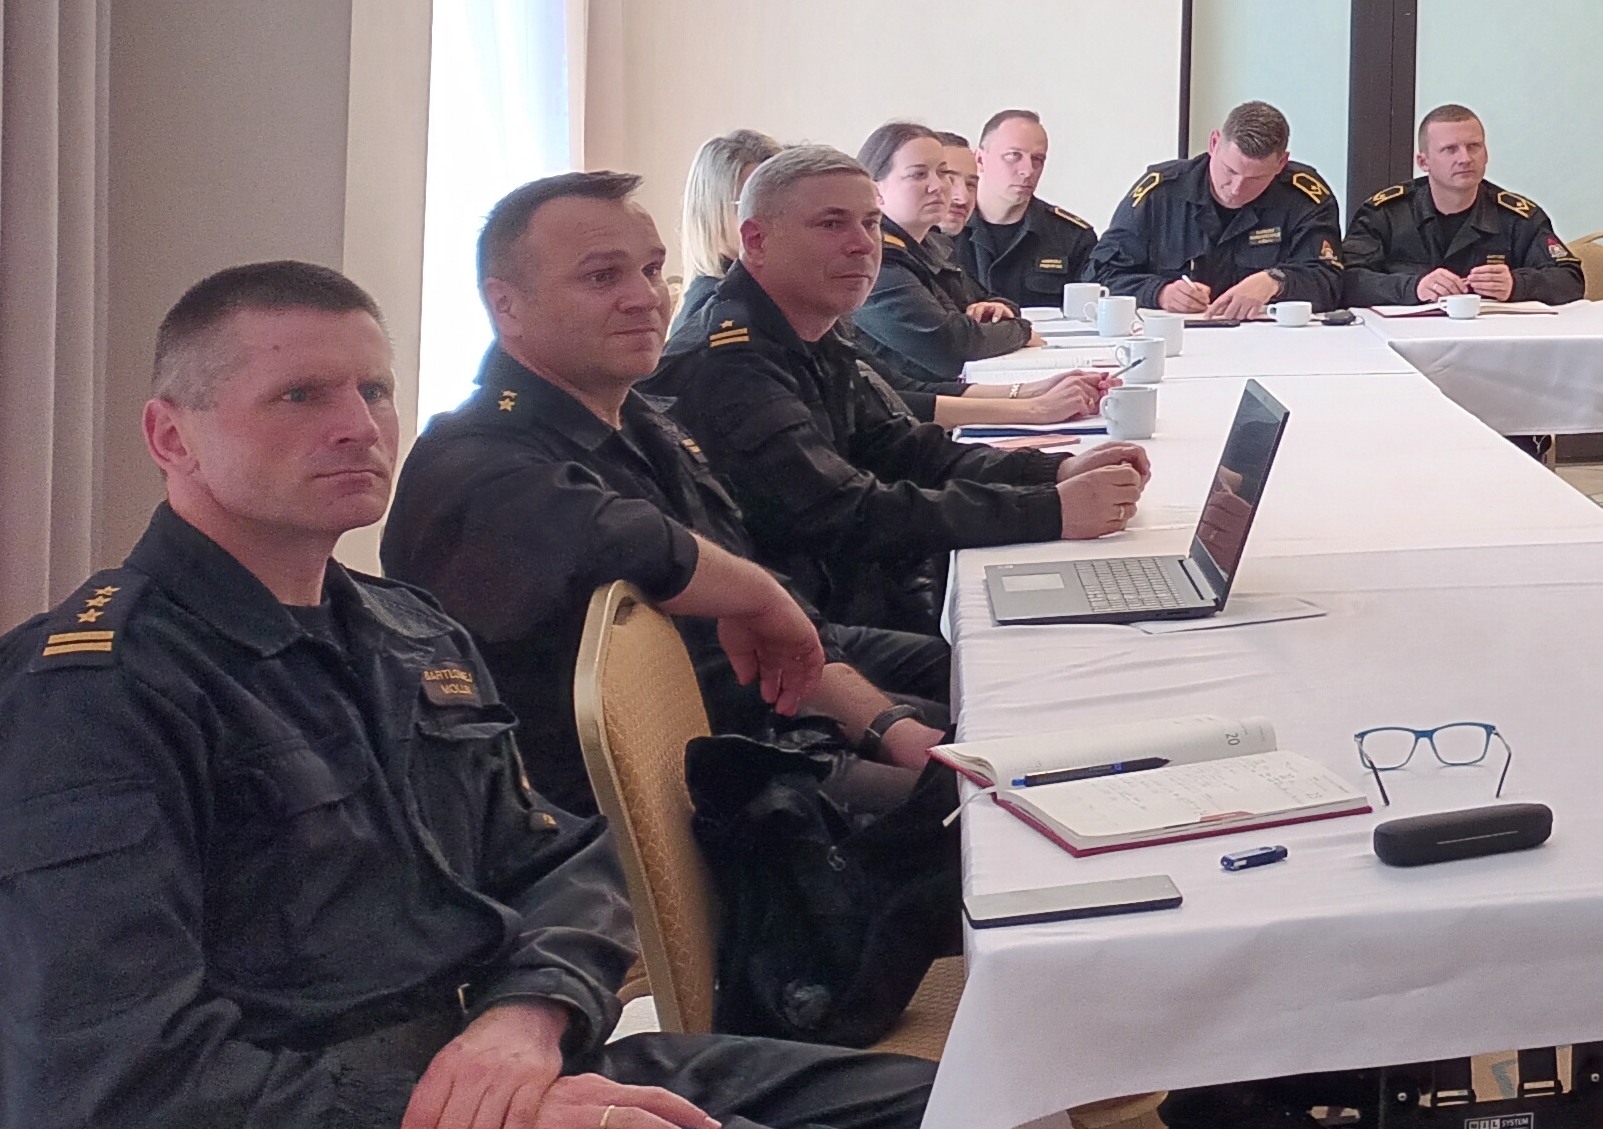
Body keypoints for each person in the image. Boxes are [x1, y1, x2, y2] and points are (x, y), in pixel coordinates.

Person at [0, 261, 948, 1129]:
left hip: (480, 1080)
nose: (357, 424)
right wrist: (434, 1121)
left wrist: (526, 1020)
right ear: (170, 435)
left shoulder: (402, 630)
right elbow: (99, 1089)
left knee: (962, 1126)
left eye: (375, 390)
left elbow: (566, 865)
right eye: (299, 395)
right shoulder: (88, 703)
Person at [393, 171, 959, 818]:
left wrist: (885, 725)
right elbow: (625, 539)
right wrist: (762, 597)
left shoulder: (645, 419)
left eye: (652, 269)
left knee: (999, 714)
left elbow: (776, 628)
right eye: (602, 277)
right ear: (507, 305)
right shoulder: (474, 461)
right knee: (977, 807)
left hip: (769, 735)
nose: (645, 298)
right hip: (673, 811)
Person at [652, 146, 1144, 633]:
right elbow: (845, 512)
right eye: (832, 224)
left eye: (870, 222)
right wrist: (1049, 511)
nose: (863, 244)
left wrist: (1053, 470)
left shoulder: (809, 325)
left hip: (853, 597)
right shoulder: (730, 362)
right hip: (796, 634)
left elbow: (904, 449)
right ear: (757, 241)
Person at [1088, 101, 1345, 316]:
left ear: (1281, 163)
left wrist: (1276, 282)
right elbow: (1098, 276)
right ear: (1214, 143)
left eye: (1255, 179)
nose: (1236, 188)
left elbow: (1330, 281)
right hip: (1180, 339)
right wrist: (1160, 293)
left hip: (1270, 342)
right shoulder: (1160, 194)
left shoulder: (1303, 198)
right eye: (1229, 170)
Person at [845, 120, 1032, 404]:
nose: (939, 186)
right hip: (908, 411)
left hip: (954, 397)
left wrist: (998, 311)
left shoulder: (933, 244)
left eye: (942, 172)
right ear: (876, 190)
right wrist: (1020, 330)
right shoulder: (877, 259)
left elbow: (990, 301)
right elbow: (952, 348)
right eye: (918, 174)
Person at [1342, 106, 1588, 307]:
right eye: (1450, 149)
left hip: (1491, 341)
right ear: (1423, 162)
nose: (1465, 159)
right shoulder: (1386, 214)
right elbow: (1346, 281)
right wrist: (1413, 287)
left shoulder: (1518, 217)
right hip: (1401, 340)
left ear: (1486, 154)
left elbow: (1570, 280)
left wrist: (1517, 285)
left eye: (1474, 147)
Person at [957, 106, 1099, 310]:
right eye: (1013, 155)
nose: (1028, 170)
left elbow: (1088, 316)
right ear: (979, 159)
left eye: (1037, 159)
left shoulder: (1073, 238)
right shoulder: (942, 231)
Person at [664, 125, 778, 354]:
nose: (774, 217)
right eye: (752, 204)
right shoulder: (716, 309)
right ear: (711, 212)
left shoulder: (764, 293)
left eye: (782, 202)